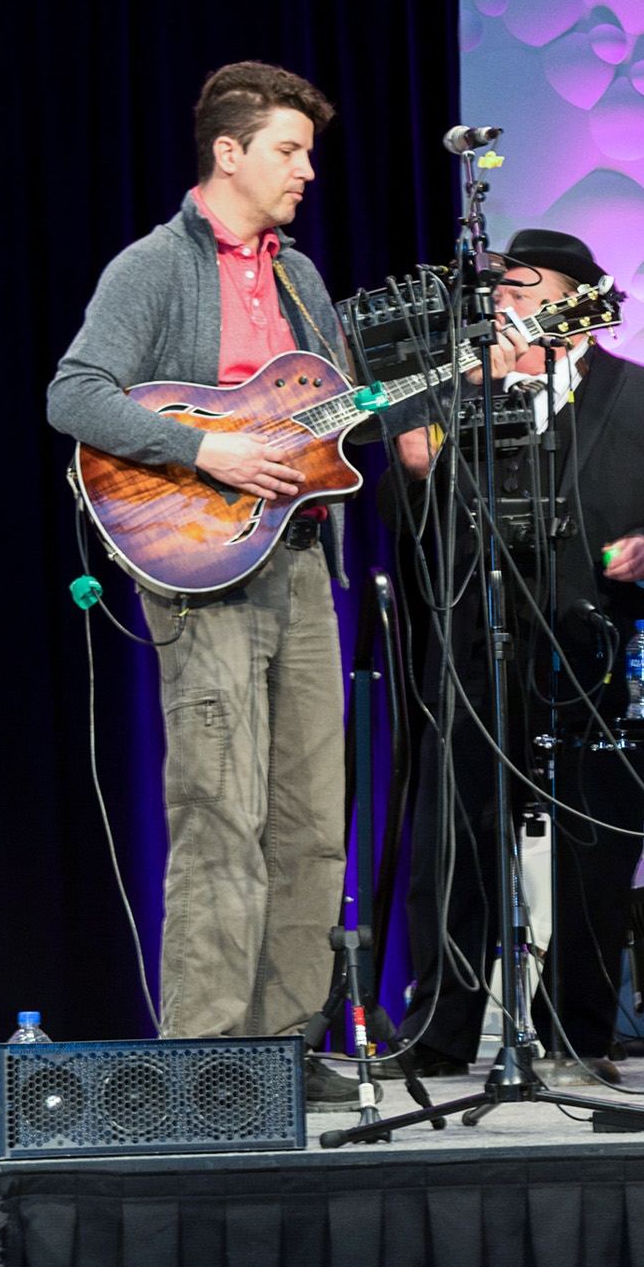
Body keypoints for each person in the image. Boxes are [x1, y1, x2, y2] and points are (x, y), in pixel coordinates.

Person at [47, 61, 425, 1103]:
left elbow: (339, 422)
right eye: (289, 150)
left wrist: (443, 383)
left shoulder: (302, 281)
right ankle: (205, 1059)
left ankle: (283, 1049)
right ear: (229, 153)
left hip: (303, 565)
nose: (307, 171)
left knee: (311, 819)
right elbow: (73, 394)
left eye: (309, 152)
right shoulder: (153, 268)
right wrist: (201, 452)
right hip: (201, 568)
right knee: (222, 810)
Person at [391, 229, 644, 1078]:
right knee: (460, 843)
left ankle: (579, 1031)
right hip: (480, 649)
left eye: (523, 287)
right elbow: (410, 488)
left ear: (577, 301)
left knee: (598, 847)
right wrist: (476, 390)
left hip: (607, 654)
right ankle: (439, 1033)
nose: (503, 302)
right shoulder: (460, 392)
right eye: (497, 288)